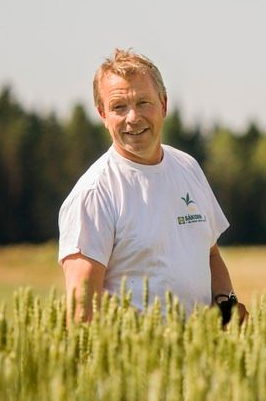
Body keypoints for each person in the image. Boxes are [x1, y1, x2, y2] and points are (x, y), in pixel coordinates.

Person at [58, 48, 248, 324]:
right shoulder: (94, 193)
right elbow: (81, 312)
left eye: (143, 103)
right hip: (135, 361)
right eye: (119, 107)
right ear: (102, 114)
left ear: (164, 104)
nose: (133, 118)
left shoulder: (187, 168)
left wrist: (225, 303)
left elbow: (210, 254)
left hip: (200, 357)